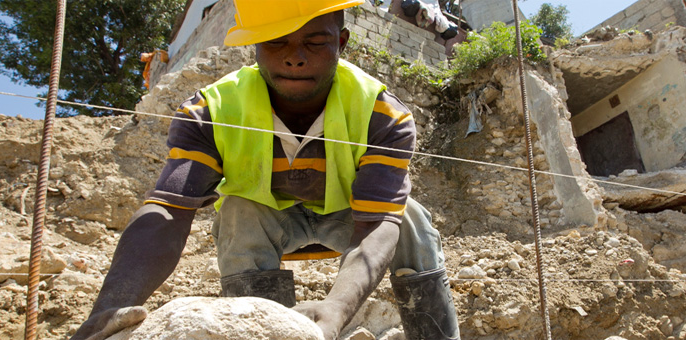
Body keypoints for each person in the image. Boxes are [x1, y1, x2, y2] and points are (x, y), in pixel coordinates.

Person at [70, 1, 460, 339]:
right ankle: (262, 328)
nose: (294, 57)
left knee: (408, 219)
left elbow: (376, 224)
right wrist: (110, 308)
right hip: (267, 224)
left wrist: (338, 308)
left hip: (351, 221)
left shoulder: (381, 113)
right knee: (239, 210)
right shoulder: (212, 111)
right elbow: (169, 210)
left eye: (314, 42)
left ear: (340, 43)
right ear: (254, 45)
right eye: (276, 41)